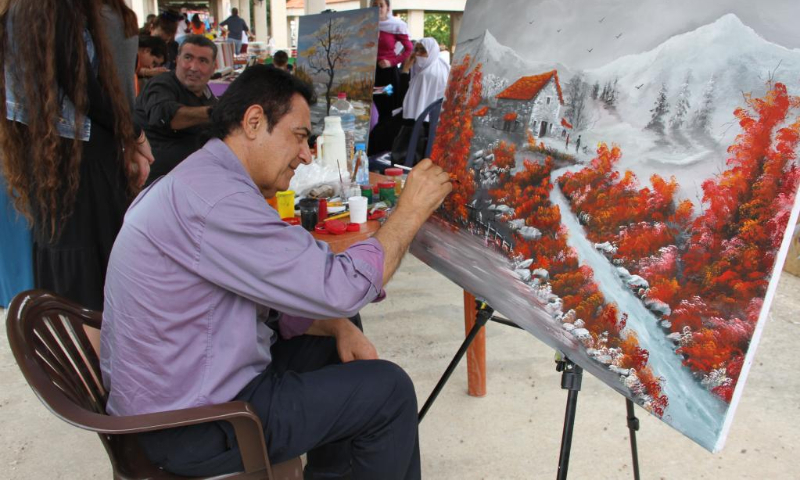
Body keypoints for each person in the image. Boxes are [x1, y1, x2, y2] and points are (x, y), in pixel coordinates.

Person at [100, 65, 452, 479]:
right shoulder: (218, 200)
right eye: (300, 136)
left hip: (177, 394)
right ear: (253, 122)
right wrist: (409, 211)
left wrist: (339, 327)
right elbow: (341, 286)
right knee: (388, 392)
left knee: (336, 329)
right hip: (191, 425)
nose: (306, 154)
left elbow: (300, 297)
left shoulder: (204, 178)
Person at [0, 0, 153, 311]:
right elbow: (82, 87)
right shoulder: (52, 7)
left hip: (54, 154)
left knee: (71, 262)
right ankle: (91, 356)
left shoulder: (24, 9)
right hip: (80, 156)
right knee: (88, 273)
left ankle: (82, 352)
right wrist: (134, 134)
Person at [136, 35, 218, 184]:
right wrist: (215, 113)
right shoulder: (161, 84)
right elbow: (166, 116)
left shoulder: (207, 95)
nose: (194, 67)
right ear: (177, 60)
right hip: (155, 185)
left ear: (214, 68)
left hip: (193, 181)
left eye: (203, 61)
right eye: (188, 58)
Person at [391, 37, 450, 164]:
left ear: (432, 52)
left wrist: (405, 70)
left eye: (422, 51)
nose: (417, 54)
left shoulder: (424, 76)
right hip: (435, 127)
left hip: (419, 130)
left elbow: (404, 101)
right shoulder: (442, 67)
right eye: (416, 50)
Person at [372, 0, 412, 120]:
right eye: (375, 5)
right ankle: (372, 137)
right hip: (369, 73)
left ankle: (384, 137)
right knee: (369, 107)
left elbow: (409, 49)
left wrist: (392, 62)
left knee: (385, 107)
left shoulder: (396, 25)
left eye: (381, 5)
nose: (378, 8)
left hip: (386, 75)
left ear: (388, 8)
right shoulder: (365, 25)